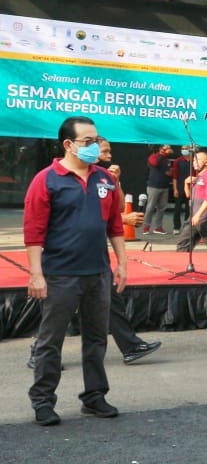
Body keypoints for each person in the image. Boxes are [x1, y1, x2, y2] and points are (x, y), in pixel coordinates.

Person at [24, 115, 127, 426]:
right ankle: (43, 401)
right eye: (88, 142)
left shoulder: (105, 179)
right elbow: (34, 231)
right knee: (50, 340)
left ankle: (94, 396)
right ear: (68, 145)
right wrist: (36, 273)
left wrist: (121, 263)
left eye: (97, 140)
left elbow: (115, 225)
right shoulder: (47, 179)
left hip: (98, 273)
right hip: (60, 274)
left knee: (96, 338)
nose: (94, 146)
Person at [97, 139, 162, 364]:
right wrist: (124, 219)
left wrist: (115, 180)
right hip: (71, 256)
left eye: (109, 150)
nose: (109, 153)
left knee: (111, 301)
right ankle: (41, 352)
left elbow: (115, 205)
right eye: (104, 150)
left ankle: (130, 346)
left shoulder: (103, 177)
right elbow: (88, 214)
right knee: (61, 308)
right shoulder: (78, 178)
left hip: (96, 255)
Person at [176, 150, 207, 253]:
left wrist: (198, 215)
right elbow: (189, 195)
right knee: (183, 244)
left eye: (198, 160)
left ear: (206, 162)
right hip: (194, 216)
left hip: (203, 217)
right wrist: (186, 183)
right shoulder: (197, 177)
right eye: (193, 160)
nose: (195, 163)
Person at [144, 143, 175, 234]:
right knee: (150, 207)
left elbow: (168, 172)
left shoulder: (167, 160)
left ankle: (158, 227)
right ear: (161, 149)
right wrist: (162, 154)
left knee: (162, 208)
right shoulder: (154, 156)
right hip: (154, 186)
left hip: (164, 186)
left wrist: (170, 172)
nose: (169, 149)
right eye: (167, 147)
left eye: (169, 147)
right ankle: (146, 227)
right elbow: (155, 163)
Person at [171, 146, 193, 231]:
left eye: (186, 148)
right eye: (183, 149)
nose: (184, 150)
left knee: (189, 209)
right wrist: (175, 189)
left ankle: (186, 226)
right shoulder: (178, 161)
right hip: (180, 188)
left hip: (190, 189)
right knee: (177, 209)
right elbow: (175, 176)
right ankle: (176, 227)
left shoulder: (194, 160)